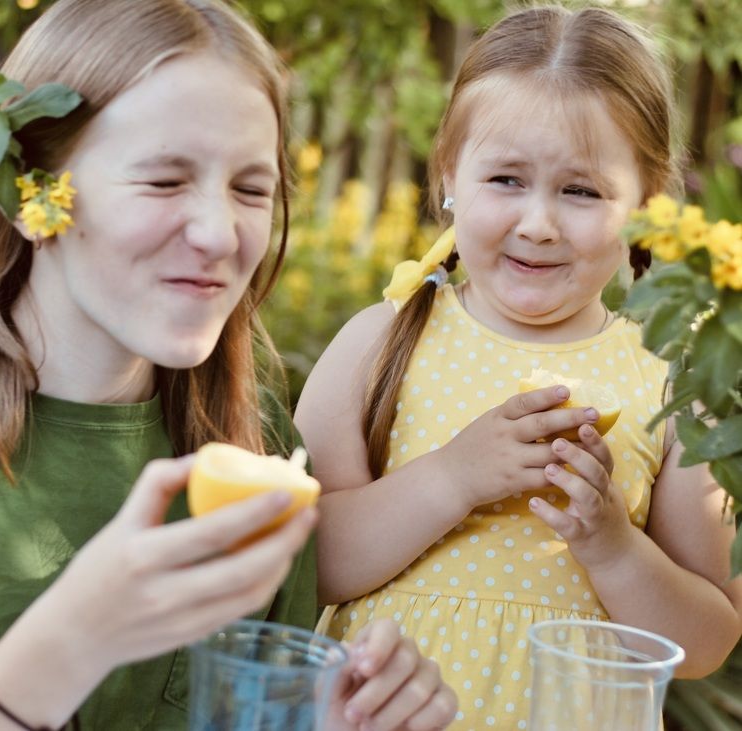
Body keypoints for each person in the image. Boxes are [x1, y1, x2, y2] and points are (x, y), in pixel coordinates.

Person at [0, 1, 458, 730]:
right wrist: (74, 639)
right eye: (163, 181)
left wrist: (328, 718)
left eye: (251, 189)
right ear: (33, 195)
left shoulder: (254, 441)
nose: (220, 233)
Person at [295, 5, 742, 729]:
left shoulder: (671, 382)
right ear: (449, 170)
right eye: (506, 179)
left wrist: (612, 545)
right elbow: (301, 565)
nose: (538, 222)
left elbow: (706, 640)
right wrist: (454, 475)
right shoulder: (379, 344)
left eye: (581, 190)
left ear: (649, 202)